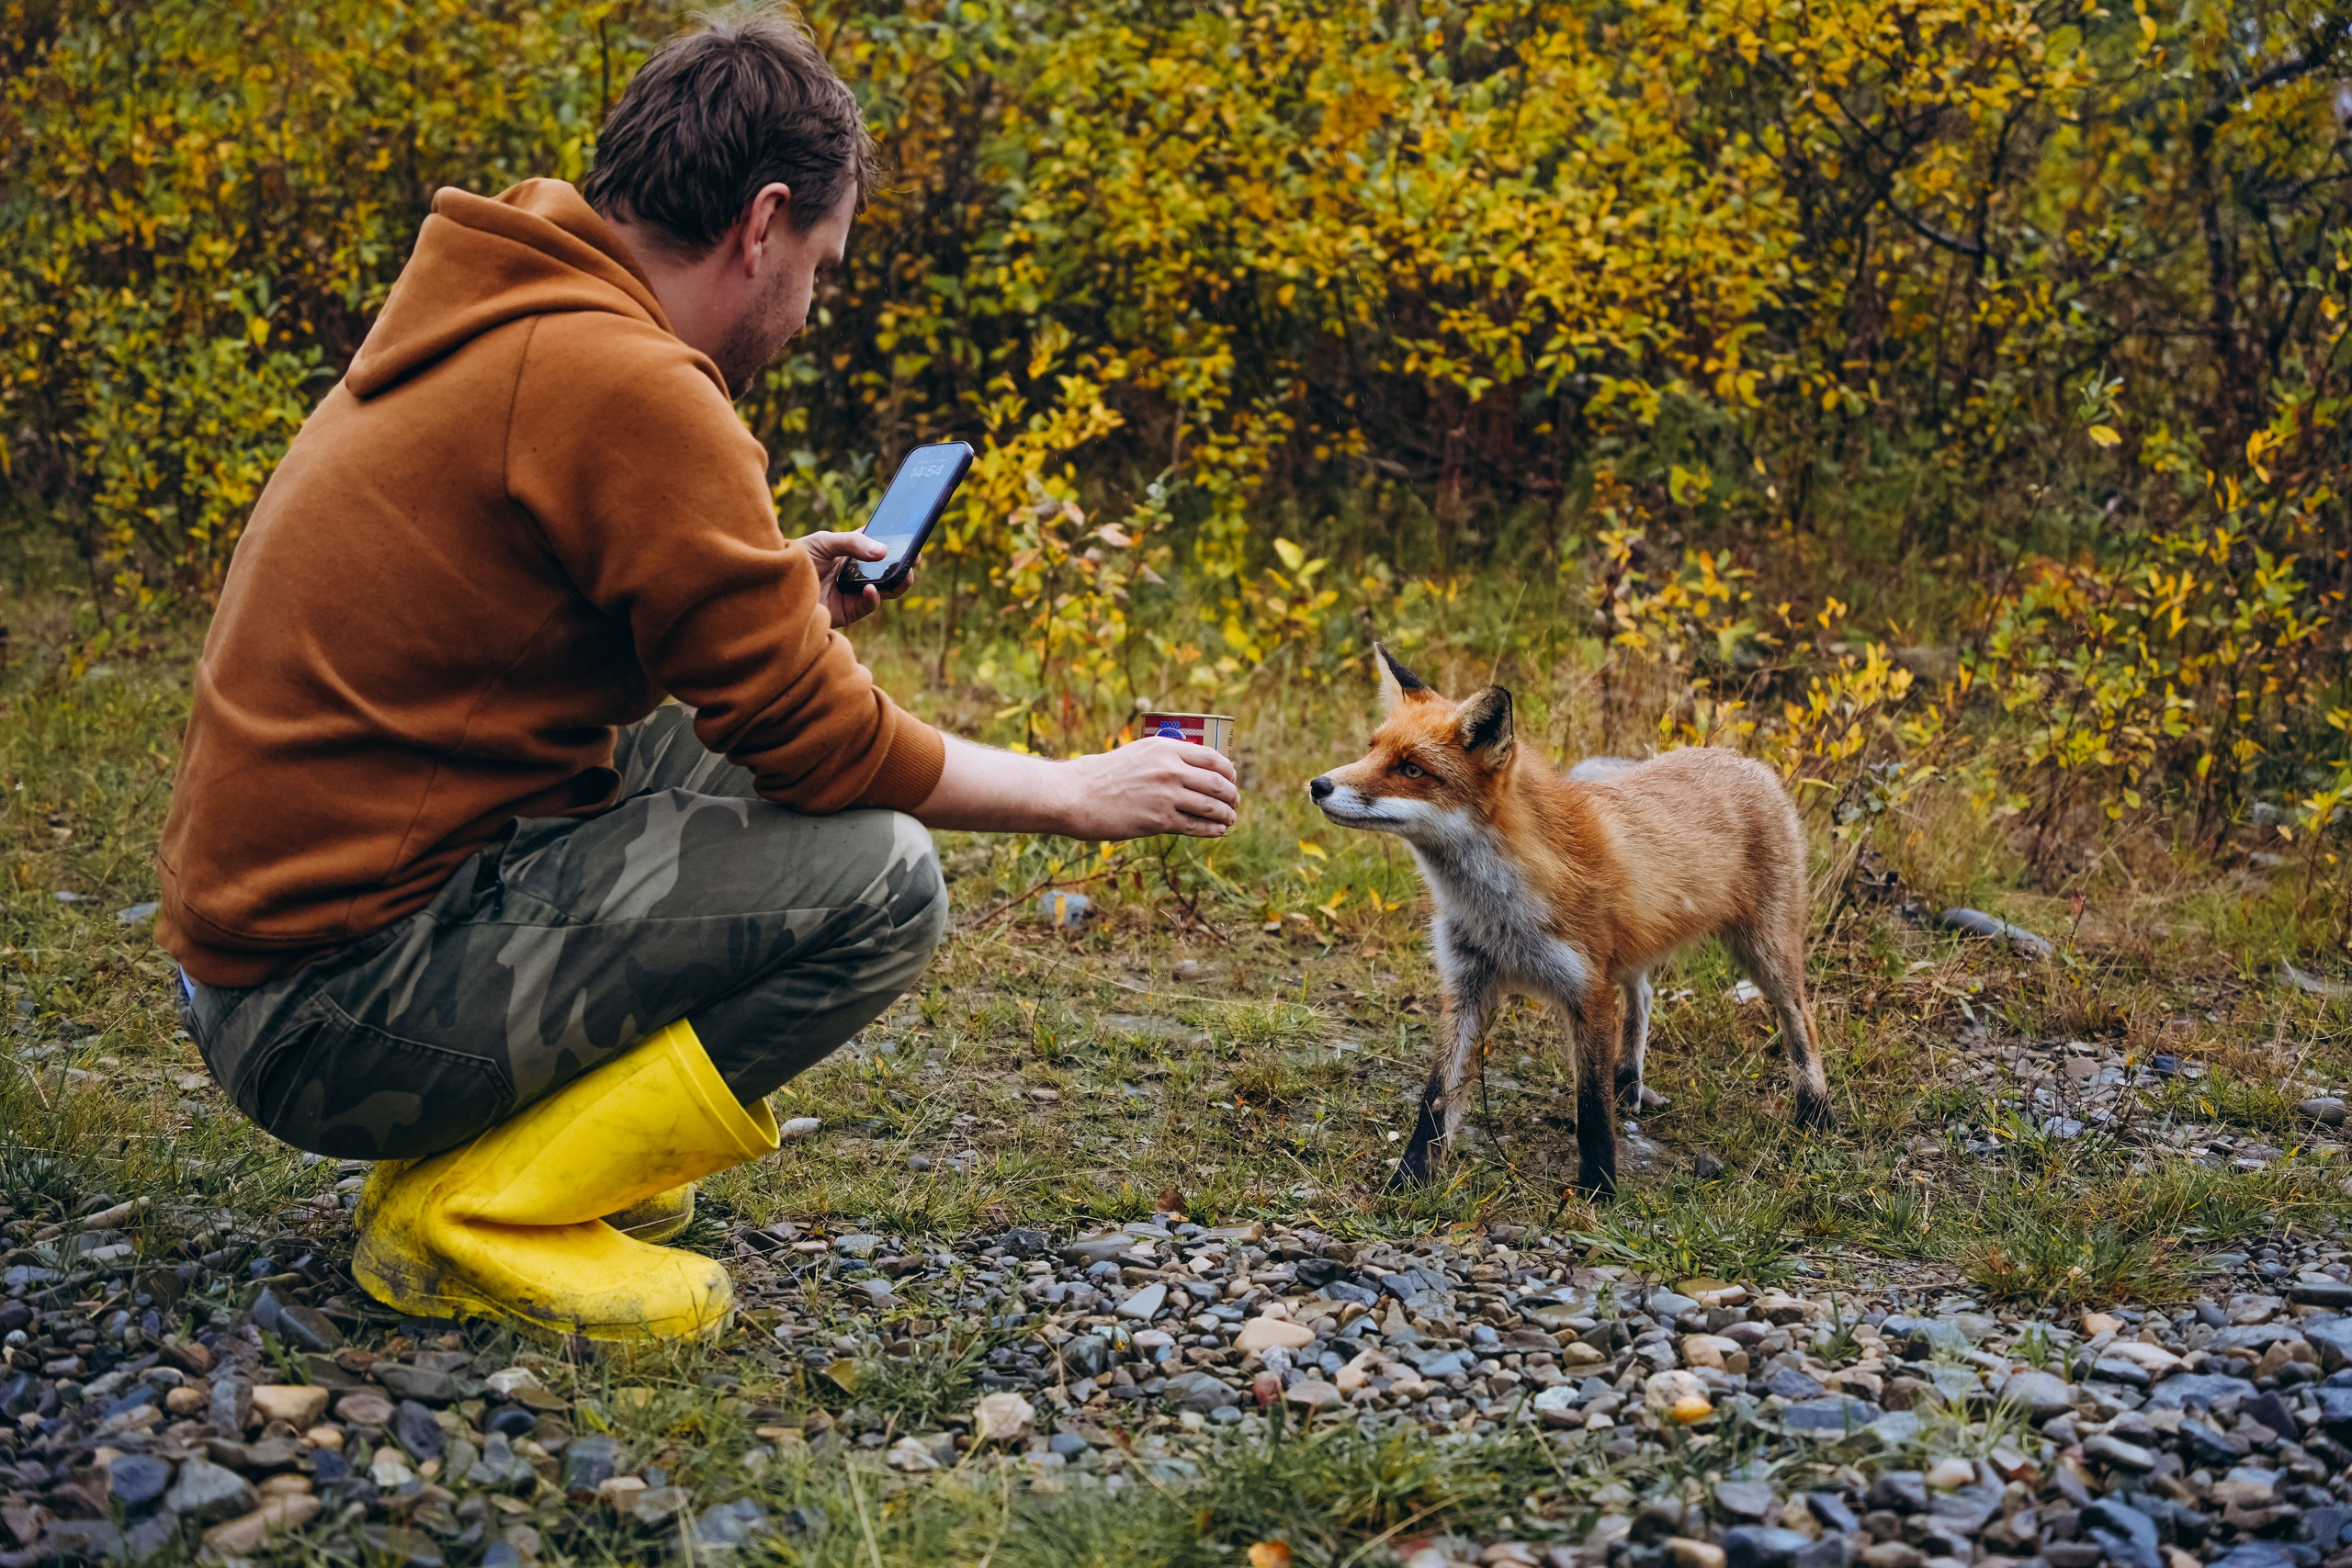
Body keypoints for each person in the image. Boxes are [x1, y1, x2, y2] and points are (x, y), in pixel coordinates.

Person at [155, 5, 1238, 1343]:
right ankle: (474, 1211)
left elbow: (629, 646)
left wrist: (782, 593)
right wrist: (1078, 790)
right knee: (883, 880)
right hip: (321, 1019)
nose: (810, 308)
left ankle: (545, 1149)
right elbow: (819, 739)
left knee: (734, 754)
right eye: (823, 267)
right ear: (762, 223)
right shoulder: (632, 383)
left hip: (274, 967)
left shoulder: (518, 309)